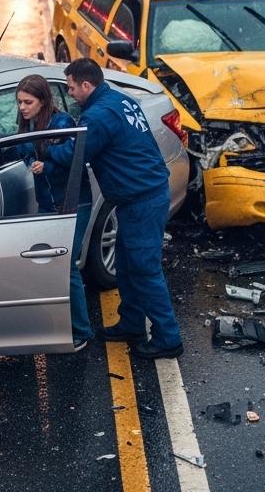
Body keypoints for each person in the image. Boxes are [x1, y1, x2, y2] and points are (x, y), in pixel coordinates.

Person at [45, 59, 182, 359]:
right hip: (140, 196)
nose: (70, 95)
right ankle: (131, 323)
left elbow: (73, 154)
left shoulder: (99, 115)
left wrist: (45, 149)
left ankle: (168, 338)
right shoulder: (118, 99)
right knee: (127, 263)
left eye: (71, 89)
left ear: (86, 85)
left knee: (145, 270)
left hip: (141, 200)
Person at [10, 74, 93, 352]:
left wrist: (46, 164)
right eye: (19, 102)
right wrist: (33, 160)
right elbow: (23, 149)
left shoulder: (62, 123)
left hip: (72, 203)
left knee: (66, 266)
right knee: (48, 265)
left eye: (28, 102)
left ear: (43, 101)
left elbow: (72, 157)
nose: (22, 107)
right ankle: (57, 324)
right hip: (48, 203)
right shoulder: (27, 125)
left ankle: (81, 331)